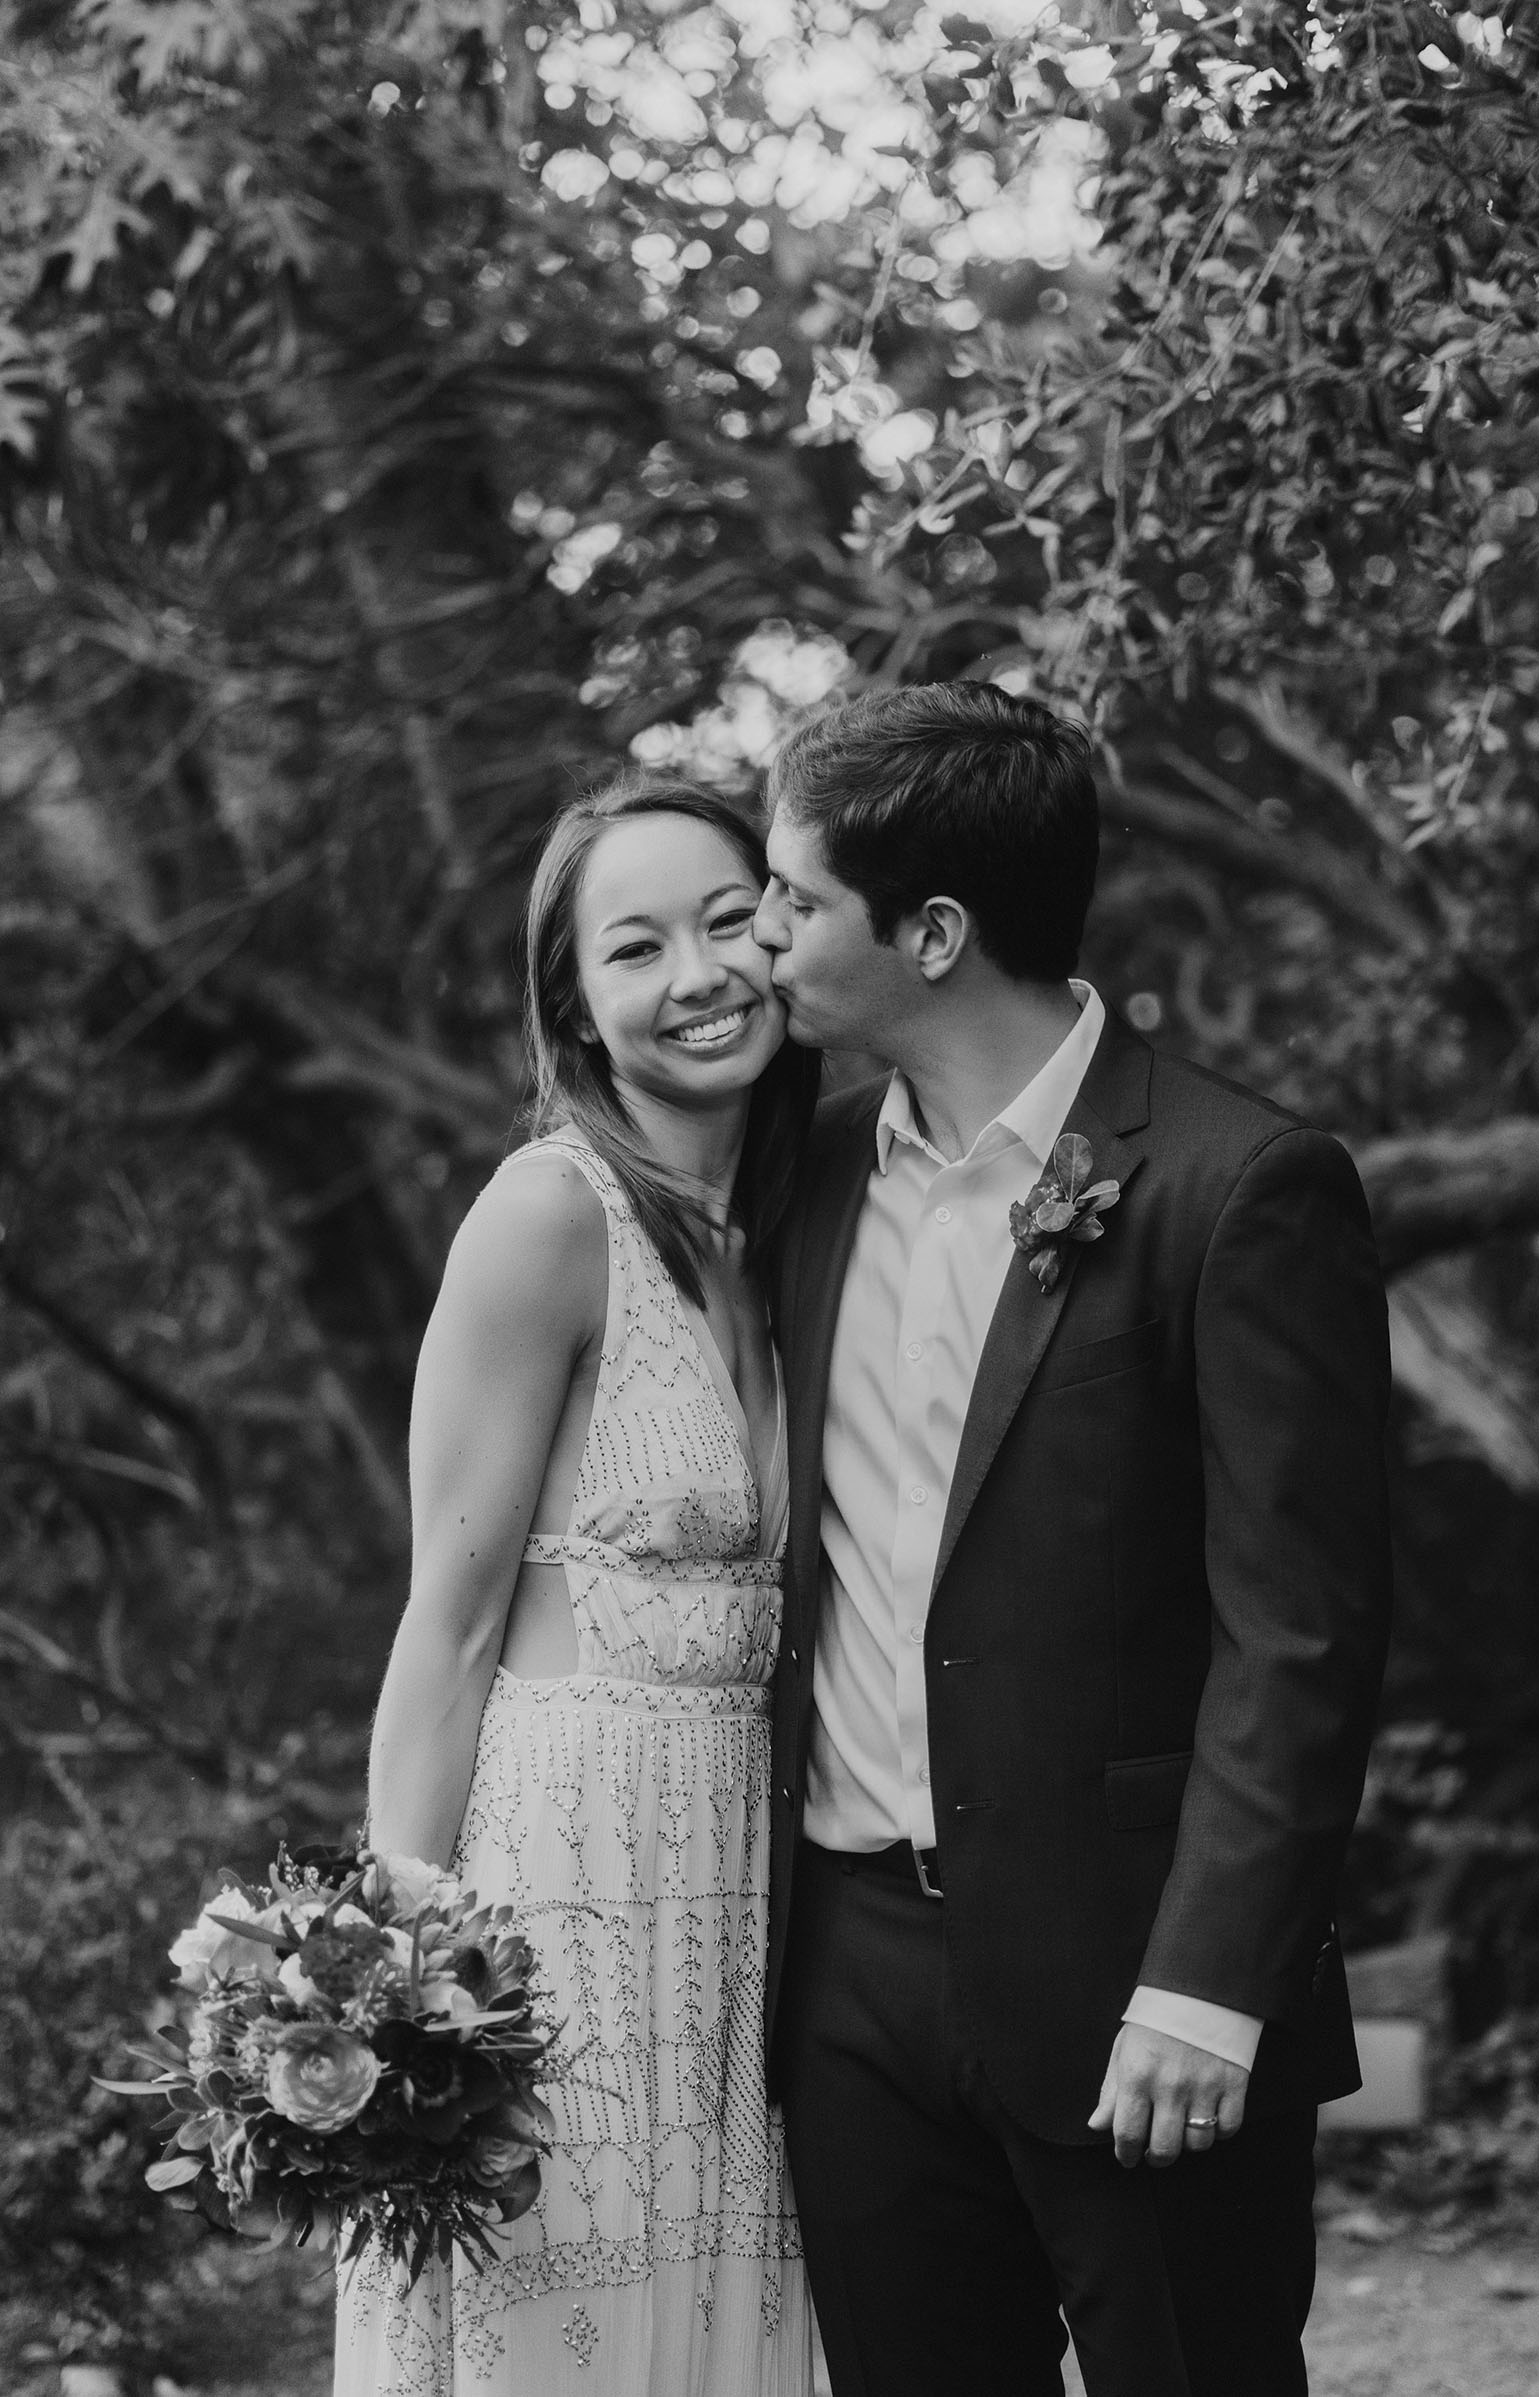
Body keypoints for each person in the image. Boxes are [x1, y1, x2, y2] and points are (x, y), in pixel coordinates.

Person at [753, 682, 1393, 2397]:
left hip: (1141, 1977)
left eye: (795, 899)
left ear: (936, 931)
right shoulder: (803, 1185)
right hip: (854, 1985)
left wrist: (1208, 1981)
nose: (764, 936)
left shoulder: (1237, 1184)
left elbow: (1303, 1634)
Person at [335, 776, 818, 2397]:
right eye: (637, 945)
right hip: (570, 1882)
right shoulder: (549, 1216)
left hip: (748, 1889)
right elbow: (448, 1622)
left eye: (730, 917)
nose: (699, 971)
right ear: (581, 1009)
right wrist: (393, 1995)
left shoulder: (801, 1228)